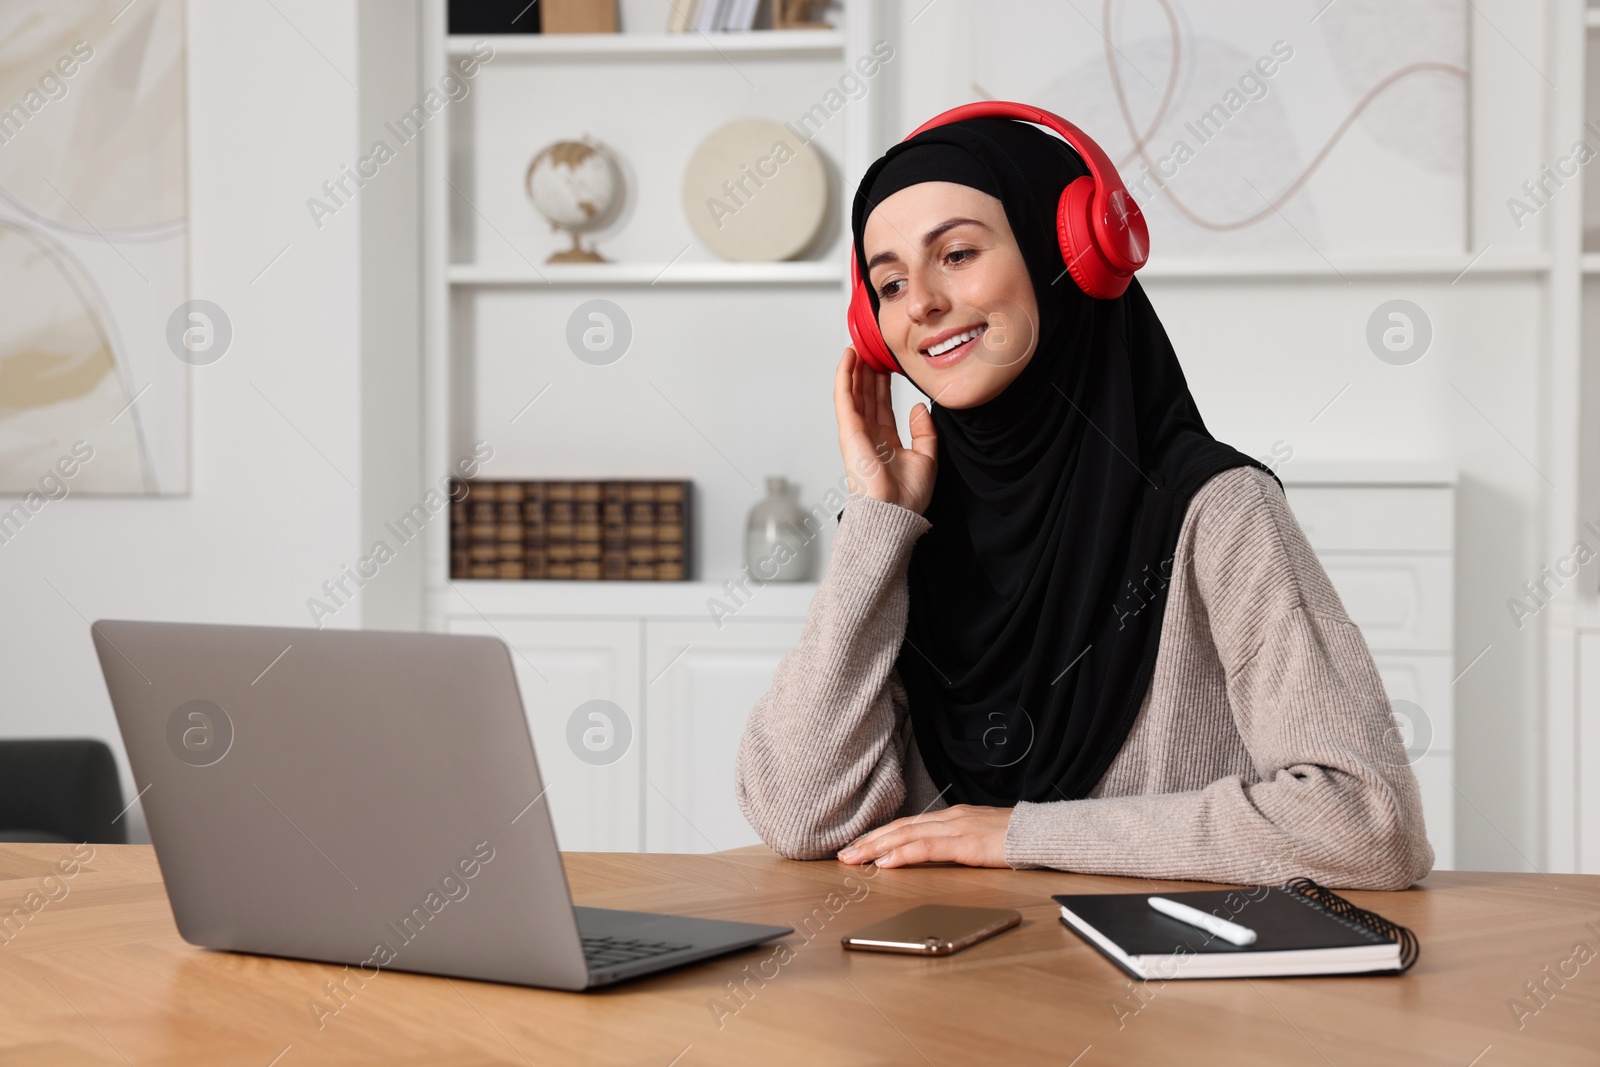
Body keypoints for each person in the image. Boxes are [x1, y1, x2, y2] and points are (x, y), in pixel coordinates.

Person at [733, 112, 1435, 891]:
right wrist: (876, 522)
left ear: (1068, 254)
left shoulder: (1218, 511)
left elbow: (1369, 824)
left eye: (957, 254)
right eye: (890, 283)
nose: (921, 303)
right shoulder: (903, 534)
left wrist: (1023, 834)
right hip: (942, 991)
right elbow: (800, 813)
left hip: (1162, 997)